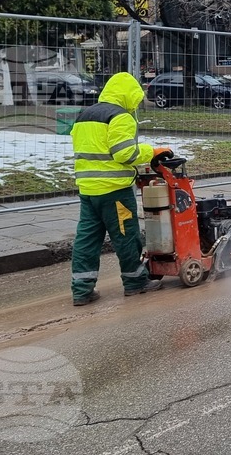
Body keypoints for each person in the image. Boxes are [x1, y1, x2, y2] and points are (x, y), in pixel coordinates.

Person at [70, 71, 169, 306]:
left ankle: (81, 290)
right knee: (126, 237)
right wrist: (152, 152)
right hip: (114, 190)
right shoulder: (120, 116)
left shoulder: (85, 114)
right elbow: (124, 153)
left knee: (86, 240)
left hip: (88, 189)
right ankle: (135, 283)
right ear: (128, 95)